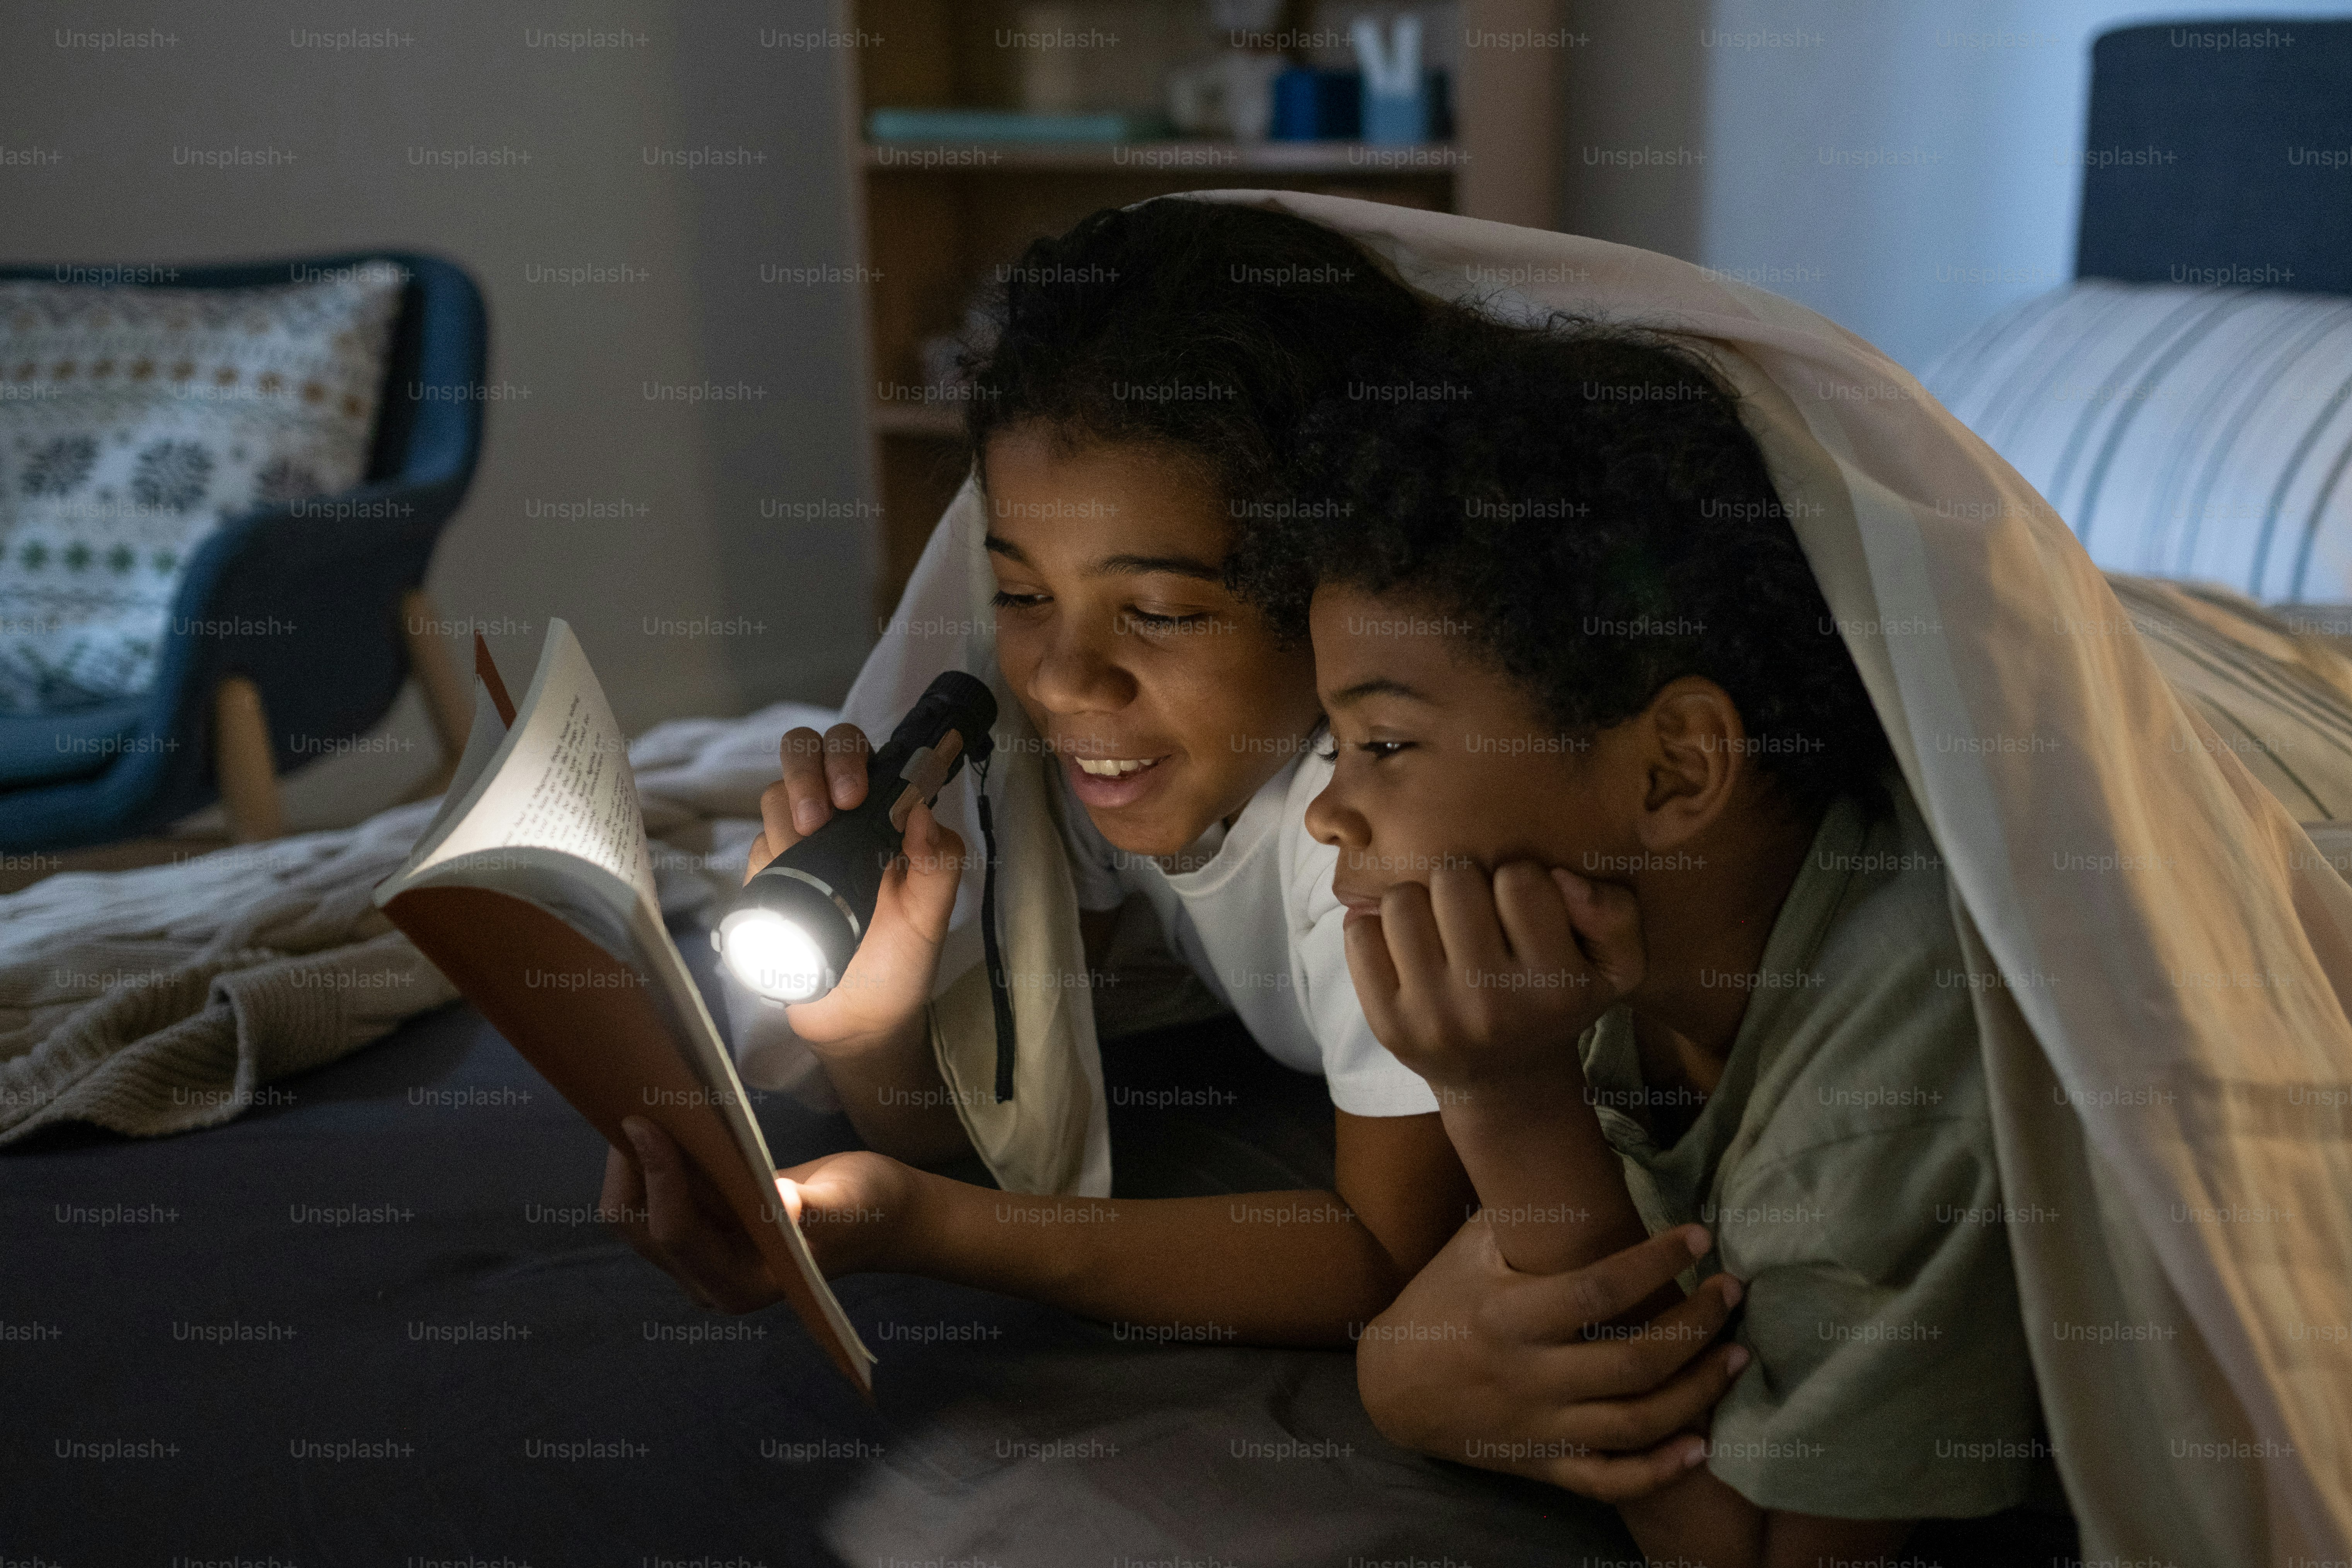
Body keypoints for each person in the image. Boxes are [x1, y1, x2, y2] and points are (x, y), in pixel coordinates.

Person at [602, 200, 1743, 1419]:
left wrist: (920, 1229)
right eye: (1020, 593)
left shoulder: (1374, 828)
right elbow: (972, 1126)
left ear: (1333, 594)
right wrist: (865, 1024)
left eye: (1159, 610)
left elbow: (1376, 1253)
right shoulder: (1098, 759)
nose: (1062, 680)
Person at [1227, 307, 2062, 1563]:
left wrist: (1508, 1110)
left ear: (1674, 770)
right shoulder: (1617, 930)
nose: (1328, 812)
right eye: (1333, 747)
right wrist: (1405, 1380)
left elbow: (1740, 1554)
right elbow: (1432, 1346)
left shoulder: (1898, 1062)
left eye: (1385, 745)